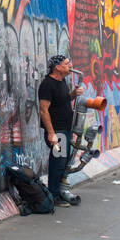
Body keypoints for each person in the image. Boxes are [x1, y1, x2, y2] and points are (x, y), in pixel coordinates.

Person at [38, 53, 84, 206]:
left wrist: (73, 94)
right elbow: (44, 110)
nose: (70, 65)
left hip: (66, 128)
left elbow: (62, 101)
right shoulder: (47, 84)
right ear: (57, 67)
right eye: (66, 63)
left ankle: (60, 192)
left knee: (63, 162)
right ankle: (54, 196)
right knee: (58, 162)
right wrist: (51, 134)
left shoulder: (62, 81)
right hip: (57, 131)